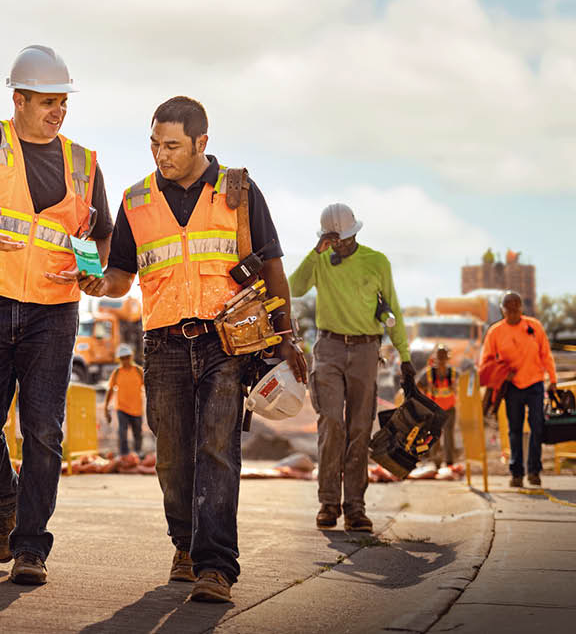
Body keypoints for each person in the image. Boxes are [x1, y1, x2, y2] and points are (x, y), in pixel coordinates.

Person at [73, 96, 306, 604]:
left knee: (216, 450)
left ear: (202, 142)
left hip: (227, 344)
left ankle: (216, 567)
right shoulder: (136, 200)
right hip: (163, 347)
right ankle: (185, 543)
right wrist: (99, 284)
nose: (162, 154)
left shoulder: (239, 191)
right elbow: (123, 275)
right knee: (173, 458)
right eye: (154, 144)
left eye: (172, 145)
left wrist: (286, 337)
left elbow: (272, 267)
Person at [0, 45, 113, 585]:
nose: (57, 112)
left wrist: (92, 270)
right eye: (47, 102)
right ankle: (4, 499)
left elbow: (100, 237)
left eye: (63, 102)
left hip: (53, 314)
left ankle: (32, 545)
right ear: (19, 99)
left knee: (44, 431)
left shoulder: (84, 162)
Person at [290, 203, 413, 534]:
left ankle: (355, 507)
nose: (339, 245)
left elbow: (394, 308)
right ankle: (328, 503)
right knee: (331, 423)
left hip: (365, 349)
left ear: (355, 233)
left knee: (360, 427)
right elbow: (294, 288)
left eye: (342, 239)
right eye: (332, 239)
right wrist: (316, 252)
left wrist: (405, 355)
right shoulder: (320, 261)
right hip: (328, 348)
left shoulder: (376, 261)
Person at [479, 292, 558, 487]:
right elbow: (485, 363)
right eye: (509, 309)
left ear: (521, 308)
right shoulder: (495, 332)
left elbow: (546, 354)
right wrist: (502, 373)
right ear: (502, 310)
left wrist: (553, 379)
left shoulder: (534, 326)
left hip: (535, 384)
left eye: (516, 309)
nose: (513, 313)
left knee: (537, 426)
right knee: (514, 430)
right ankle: (516, 473)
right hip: (512, 388)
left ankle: (534, 471)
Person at [417, 345, 458, 467]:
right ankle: (436, 462)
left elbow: (460, 386)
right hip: (434, 410)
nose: (441, 361)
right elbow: (418, 385)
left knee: (449, 436)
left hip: (449, 408)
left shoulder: (453, 373)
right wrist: (425, 390)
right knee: (434, 436)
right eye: (440, 358)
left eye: (443, 358)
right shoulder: (428, 373)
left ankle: (449, 462)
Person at [103, 344, 145, 457]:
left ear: (131, 357)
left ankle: (138, 454)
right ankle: (124, 454)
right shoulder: (117, 373)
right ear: (119, 359)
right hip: (122, 408)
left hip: (137, 409)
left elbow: (148, 388)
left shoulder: (138, 371)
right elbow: (110, 390)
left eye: (127, 357)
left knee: (138, 433)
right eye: (122, 358)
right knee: (122, 433)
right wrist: (105, 407)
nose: (125, 360)